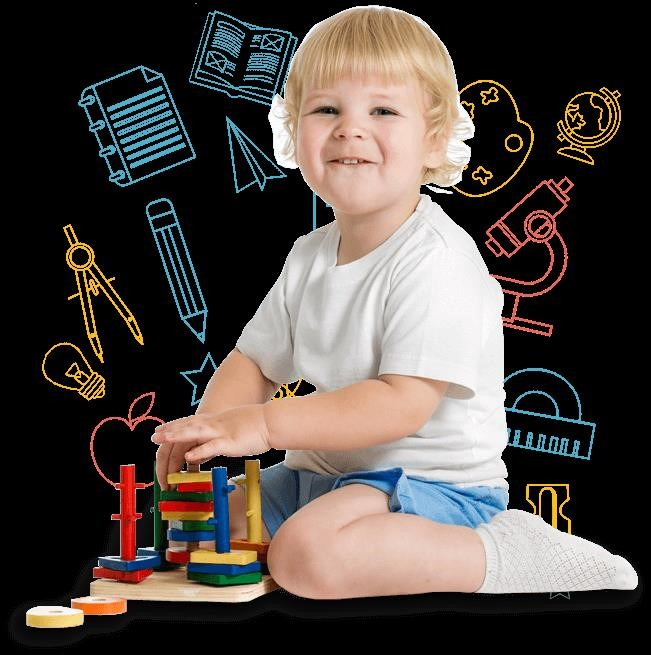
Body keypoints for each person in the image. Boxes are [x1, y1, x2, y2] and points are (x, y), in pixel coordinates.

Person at [152, 6, 638, 599]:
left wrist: (262, 424)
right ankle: (323, 538)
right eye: (326, 109)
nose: (349, 129)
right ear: (293, 130)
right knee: (197, 529)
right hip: (319, 477)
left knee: (308, 559)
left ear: (434, 138)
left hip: (434, 486)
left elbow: (401, 404)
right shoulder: (308, 255)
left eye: (382, 111)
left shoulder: (437, 260)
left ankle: (507, 553)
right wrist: (206, 435)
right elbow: (253, 362)